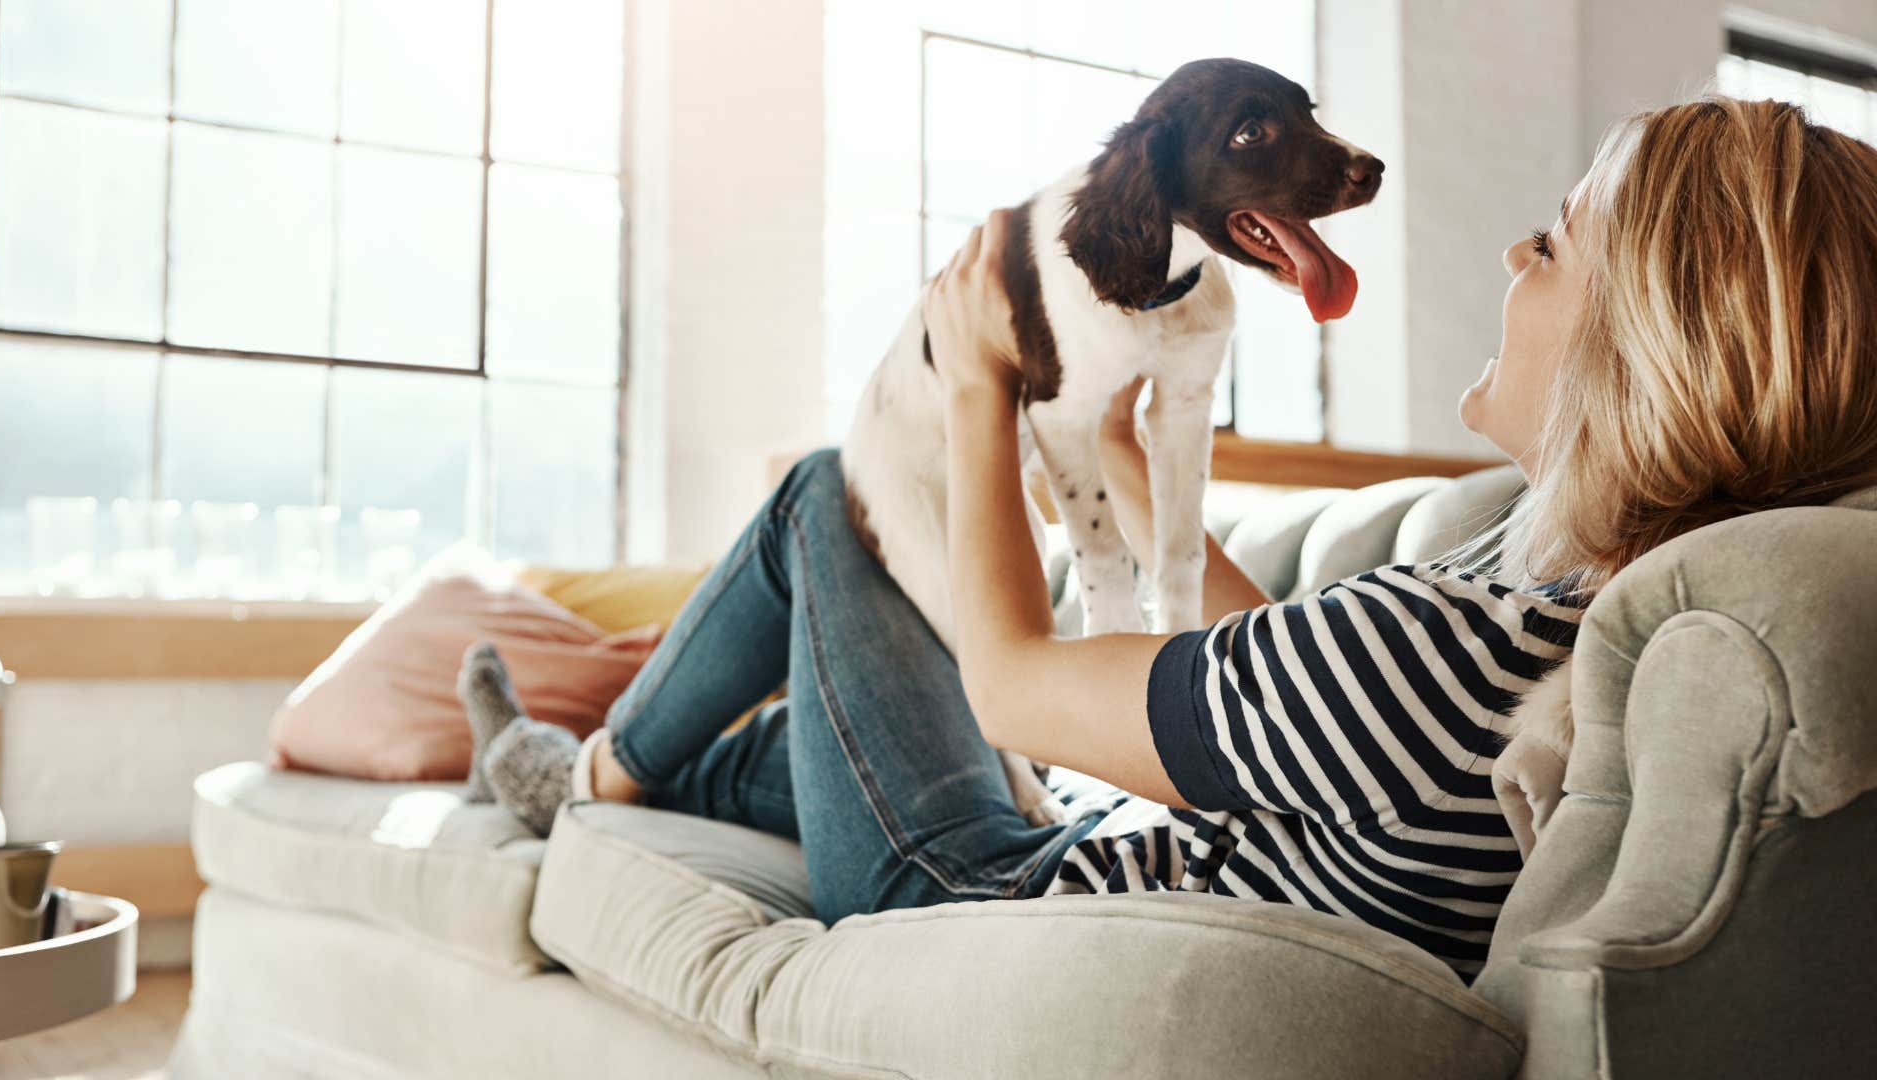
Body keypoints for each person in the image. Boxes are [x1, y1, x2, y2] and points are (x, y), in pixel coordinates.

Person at [460, 97, 1877, 983]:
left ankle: (593, 765)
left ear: (1651, 348)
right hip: (1074, 840)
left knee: (822, 500)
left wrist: (978, 380)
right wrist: (1127, 454)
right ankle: (599, 768)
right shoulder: (1549, 606)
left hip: (967, 886)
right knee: (798, 738)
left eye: (1553, 245)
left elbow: (1013, 687)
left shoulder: (1447, 656)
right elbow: (1283, 685)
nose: (1515, 260)